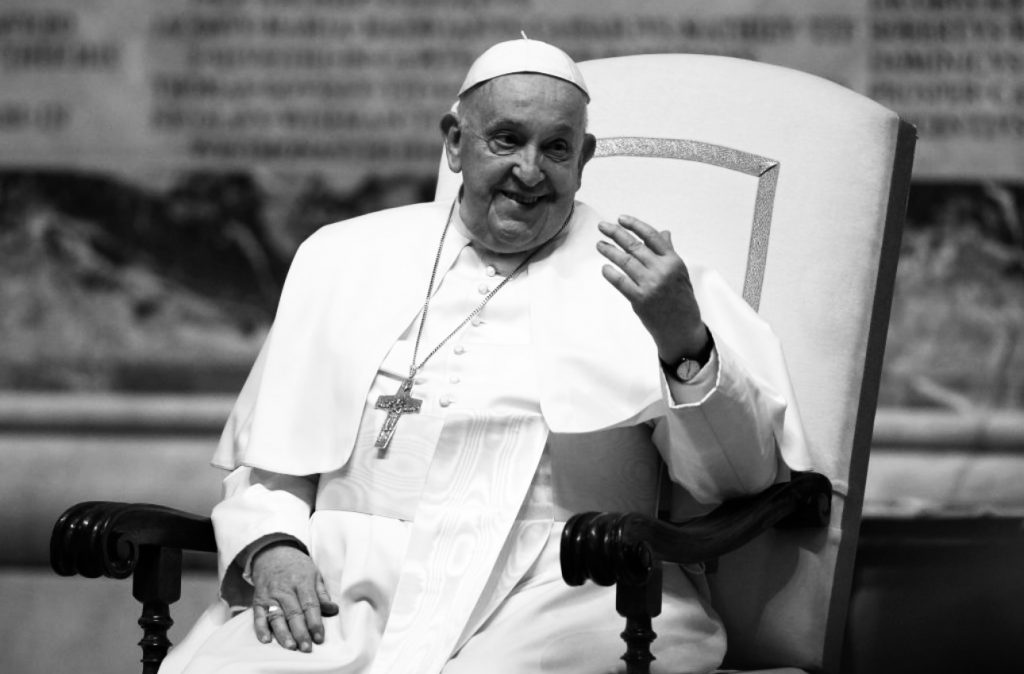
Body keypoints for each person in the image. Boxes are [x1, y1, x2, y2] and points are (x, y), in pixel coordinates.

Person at [162, 38, 809, 674]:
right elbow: (270, 463)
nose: (530, 171)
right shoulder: (341, 257)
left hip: (560, 588)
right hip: (345, 583)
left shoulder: (652, 283)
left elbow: (741, 477)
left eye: (556, 148)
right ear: (454, 142)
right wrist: (273, 545)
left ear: (583, 158)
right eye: (506, 140)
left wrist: (683, 340)